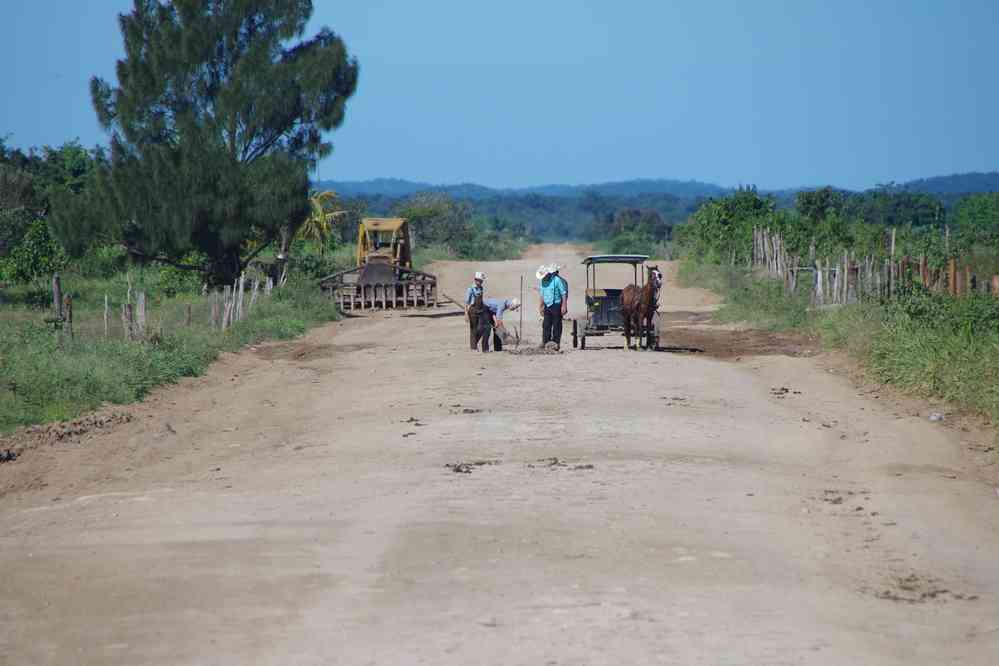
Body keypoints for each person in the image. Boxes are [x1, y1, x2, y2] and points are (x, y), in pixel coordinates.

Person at [536, 264, 568, 349]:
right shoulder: (542, 281)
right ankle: (545, 342)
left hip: (556, 305)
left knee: (557, 325)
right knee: (546, 325)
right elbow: (542, 294)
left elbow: (563, 293)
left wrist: (564, 306)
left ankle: (556, 343)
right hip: (547, 305)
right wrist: (541, 306)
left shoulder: (557, 280)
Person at [465, 272, 486, 351]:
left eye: (482, 281)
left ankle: (474, 343)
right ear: (475, 280)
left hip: (480, 310)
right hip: (472, 310)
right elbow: (466, 303)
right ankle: (473, 347)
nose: (481, 282)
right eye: (480, 281)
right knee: (473, 329)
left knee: (482, 328)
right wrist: (466, 314)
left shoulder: (481, 288)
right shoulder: (470, 289)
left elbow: (481, 300)